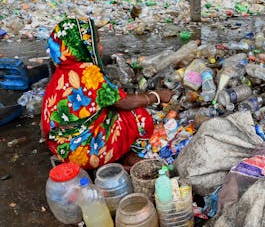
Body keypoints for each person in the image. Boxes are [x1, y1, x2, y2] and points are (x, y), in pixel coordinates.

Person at [41, 17, 172, 169]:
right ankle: (129, 156)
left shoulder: (62, 72)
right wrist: (156, 96)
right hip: (84, 155)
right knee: (139, 116)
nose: (100, 48)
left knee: (109, 111)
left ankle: (117, 154)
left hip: (60, 148)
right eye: (96, 43)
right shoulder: (86, 72)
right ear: (81, 46)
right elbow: (124, 103)